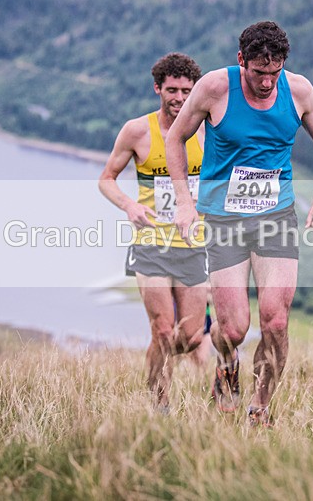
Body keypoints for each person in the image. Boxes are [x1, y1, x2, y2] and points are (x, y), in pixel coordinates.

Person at [165, 21, 313, 426]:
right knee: (235, 328)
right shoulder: (214, 88)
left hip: (275, 217)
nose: (266, 82)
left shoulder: (298, 91)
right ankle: (226, 362)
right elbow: (175, 138)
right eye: (258, 73)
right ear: (241, 60)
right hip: (223, 220)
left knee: (276, 320)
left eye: (273, 73)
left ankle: (259, 407)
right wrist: (185, 202)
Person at [98, 52, 209, 412]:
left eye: (187, 91)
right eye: (172, 90)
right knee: (162, 330)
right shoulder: (137, 131)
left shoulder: (207, 128)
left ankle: (154, 373)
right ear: (157, 88)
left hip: (194, 244)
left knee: (191, 337)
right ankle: (159, 405)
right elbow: (106, 179)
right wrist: (129, 205)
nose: (179, 98)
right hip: (151, 244)